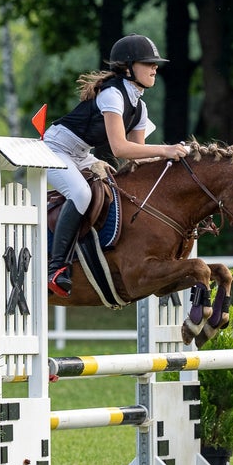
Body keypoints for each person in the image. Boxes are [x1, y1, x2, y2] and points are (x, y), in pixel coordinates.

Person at [44, 34, 189, 297]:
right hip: (54, 149)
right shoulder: (112, 94)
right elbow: (120, 149)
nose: (155, 67)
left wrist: (174, 159)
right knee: (81, 193)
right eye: (148, 63)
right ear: (128, 67)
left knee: (111, 187)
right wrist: (165, 149)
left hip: (80, 153)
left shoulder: (140, 107)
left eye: (155, 63)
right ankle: (56, 268)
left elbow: (137, 158)